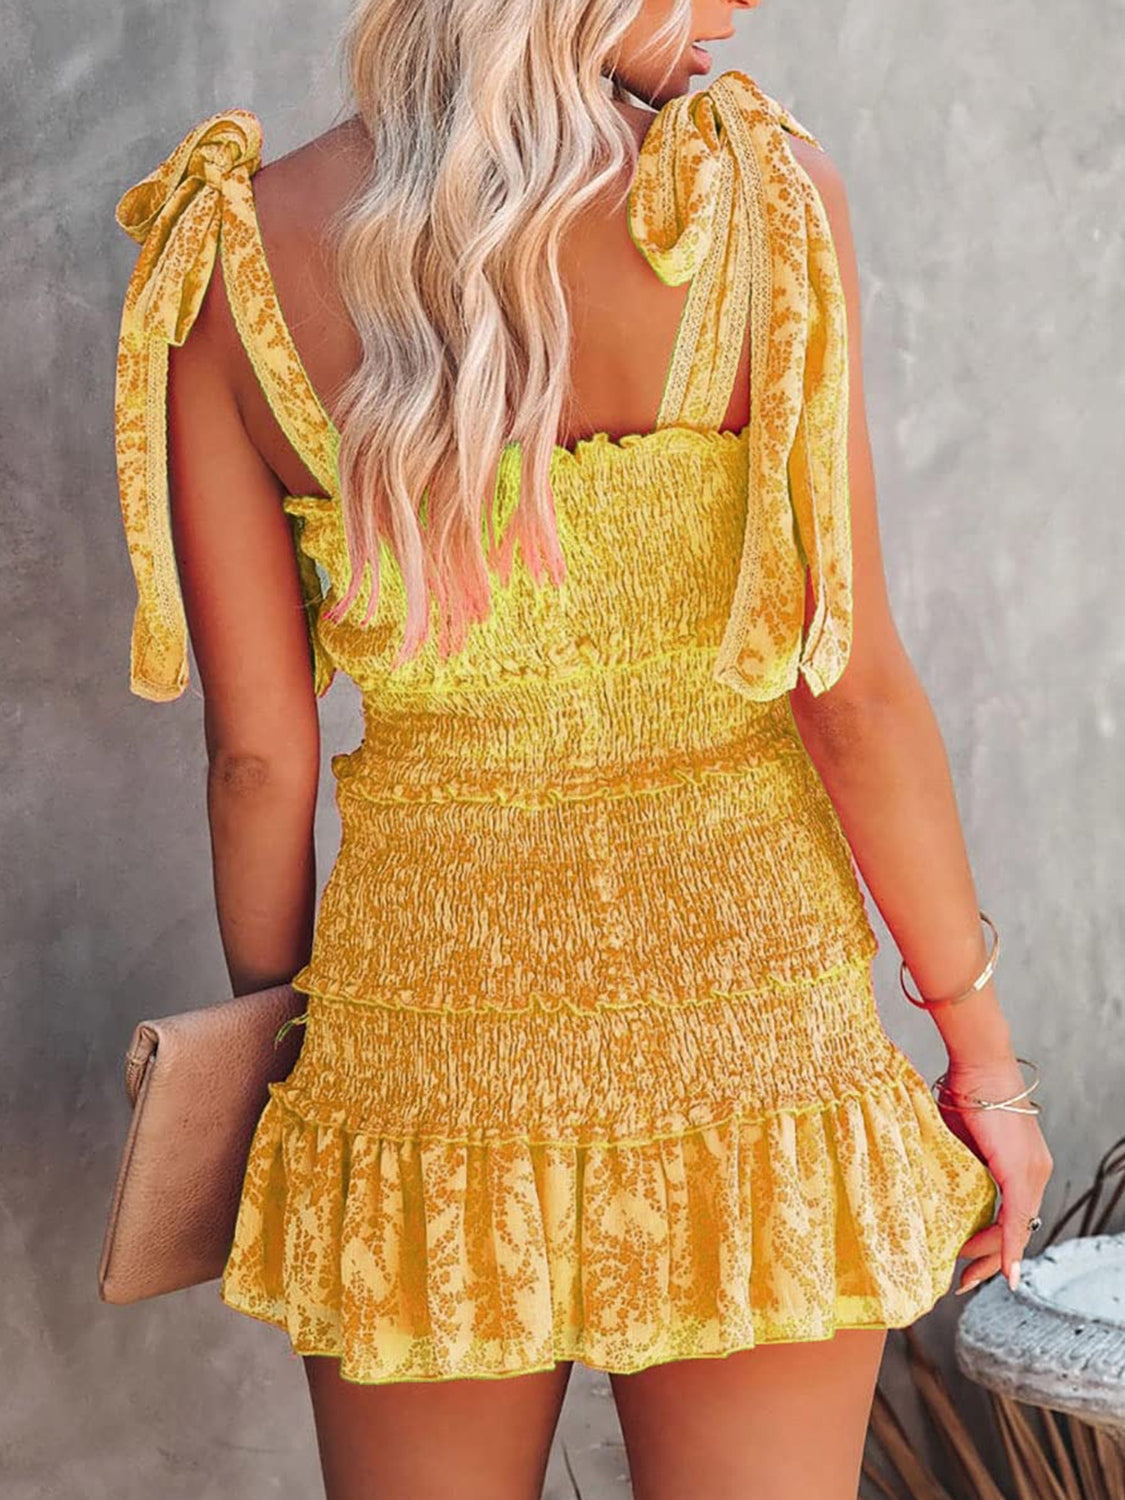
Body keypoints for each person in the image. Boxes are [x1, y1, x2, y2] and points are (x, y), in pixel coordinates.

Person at [111, 1, 1054, 1496]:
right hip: (750, 1048)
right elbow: (851, 695)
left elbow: (258, 761)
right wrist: (982, 1063)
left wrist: (283, 1042)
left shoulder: (230, 252)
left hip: (423, 1051)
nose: (739, 4)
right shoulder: (758, 202)